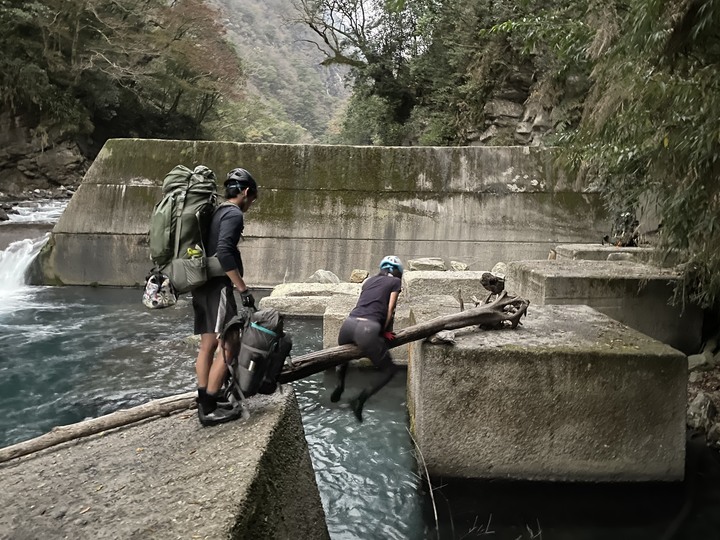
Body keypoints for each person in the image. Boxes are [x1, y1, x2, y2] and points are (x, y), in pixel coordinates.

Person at [193, 168, 258, 426]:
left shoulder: (218, 210)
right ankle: (209, 407)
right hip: (219, 287)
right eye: (252, 199)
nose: (250, 204)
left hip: (201, 284)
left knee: (208, 345)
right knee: (231, 344)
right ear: (245, 192)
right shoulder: (233, 214)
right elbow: (224, 252)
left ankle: (205, 400)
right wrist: (242, 288)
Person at [331, 255, 404, 422]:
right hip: (368, 329)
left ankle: (340, 385)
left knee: (343, 358)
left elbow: (366, 303)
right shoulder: (395, 283)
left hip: (348, 325)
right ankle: (359, 399)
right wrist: (384, 331)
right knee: (389, 371)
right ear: (398, 272)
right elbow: (390, 308)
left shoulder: (368, 281)